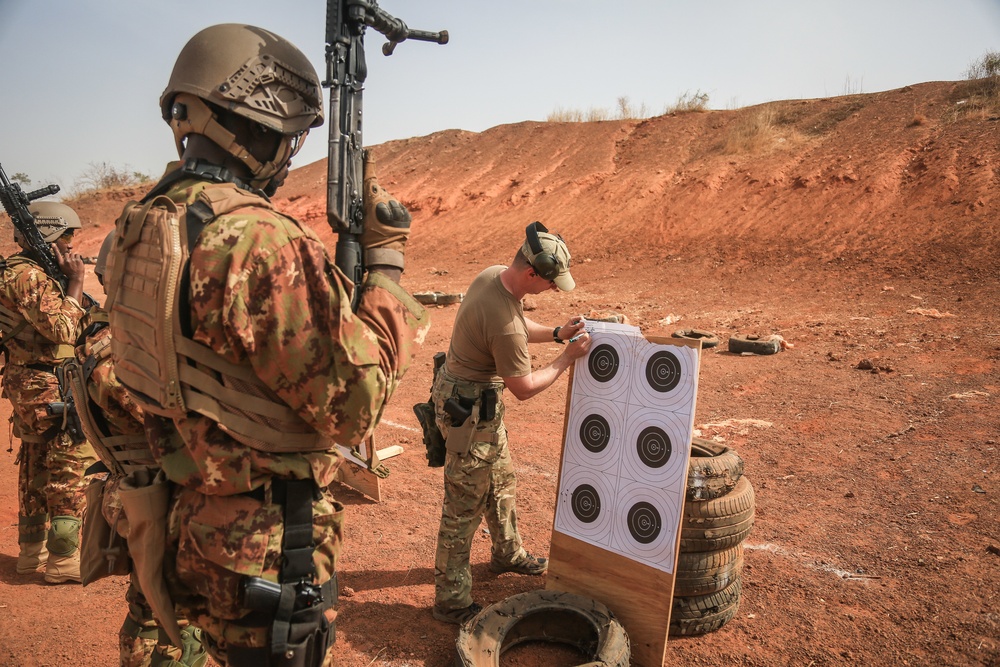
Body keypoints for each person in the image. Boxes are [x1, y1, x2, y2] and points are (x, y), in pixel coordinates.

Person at [105, 23, 427, 667]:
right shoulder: (256, 240)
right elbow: (357, 405)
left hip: (180, 520)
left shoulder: (141, 225)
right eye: (287, 137)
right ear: (254, 123)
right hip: (262, 548)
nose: (286, 154)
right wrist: (385, 264)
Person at [430, 221, 592, 624]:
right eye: (551, 283)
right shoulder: (503, 322)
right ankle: (451, 601)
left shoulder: (494, 275)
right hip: (470, 415)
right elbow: (523, 386)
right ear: (531, 273)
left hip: (472, 404)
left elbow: (518, 326)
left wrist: (556, 333)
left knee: (501, 480)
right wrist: (566, 359)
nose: (554, 289)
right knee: (463, 507)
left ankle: (507, 553)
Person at [68, 230, 206, 666]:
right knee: (175, 621)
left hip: (151, 491)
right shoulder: (115, 348)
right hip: (158, 498)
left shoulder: (127, 338)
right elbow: (172, 419)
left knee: (152, 604)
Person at [0, 200, 97, 583]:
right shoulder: (29, 277)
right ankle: (63, 559)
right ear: (50, 236)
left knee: (36, 461)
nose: (72, 245)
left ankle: (30, 553)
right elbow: (62, 330)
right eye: (67, 236)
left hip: (30, 378)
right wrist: (74, 282)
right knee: (69, 459)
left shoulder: (22, 271)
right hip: (46, 380)